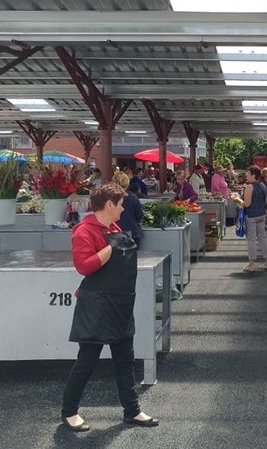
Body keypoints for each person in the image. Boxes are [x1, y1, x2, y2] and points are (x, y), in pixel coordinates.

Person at [62, 183, 158, 432]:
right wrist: (111, 248)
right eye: (120, 204)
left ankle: (132, 410)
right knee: (87, 361)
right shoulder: (84, 231)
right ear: (108, 205)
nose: (123, 209)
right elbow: (84, 266)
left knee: (125, 360)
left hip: (120, 303)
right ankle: (69, 411)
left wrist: (113, 244)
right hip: (96, 306)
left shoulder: (113, 228)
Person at [242, 165, 267, 272]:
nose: (246, 176)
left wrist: (238, 200)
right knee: (262, 237)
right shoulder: (263, 185)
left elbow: (247, 204)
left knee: (251, 239)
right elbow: (265, 201)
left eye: (248, 174)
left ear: (253, 175)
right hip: (261, 214)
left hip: (251, 215)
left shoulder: (249, 187)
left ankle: (252, 264)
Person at [118, 181, 144, 248]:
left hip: (113, 233)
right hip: (132, 231)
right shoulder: (133, 197)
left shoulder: (108, 198)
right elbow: (140, 215)